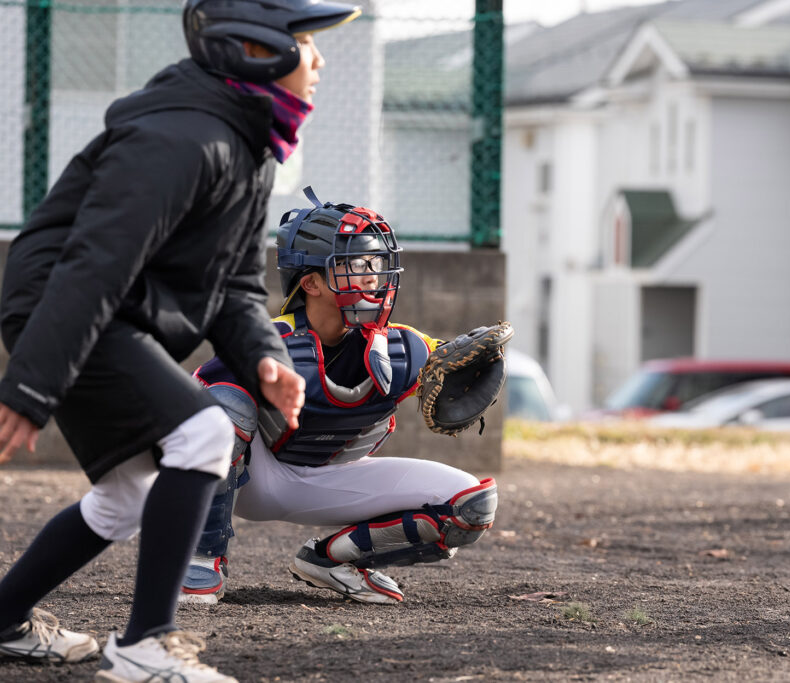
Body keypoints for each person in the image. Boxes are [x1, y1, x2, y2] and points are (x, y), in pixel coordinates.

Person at [0, 1, 361, 680]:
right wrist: (31, 385)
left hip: (110, 309)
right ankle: (144, 646)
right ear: (255, 50)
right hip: (66, 303)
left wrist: (265, 358)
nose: (318, 59)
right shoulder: (183, 137)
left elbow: (232, 284)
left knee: (129, 496)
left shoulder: (250, 137)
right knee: (203, 434)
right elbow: (95, 262)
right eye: (304, 41)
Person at [180, 189, 499, 606]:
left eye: (377, 263)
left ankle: (332, 560)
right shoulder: (267, 341)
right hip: (253, 482)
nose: (372, 276)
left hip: (333, 480)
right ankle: (201, 558)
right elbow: (189, 417)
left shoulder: (407, 347)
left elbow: (454, 367)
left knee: (471, 505)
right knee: (218, 413)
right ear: (310, 282)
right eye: (355, 265)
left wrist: (472, 375)